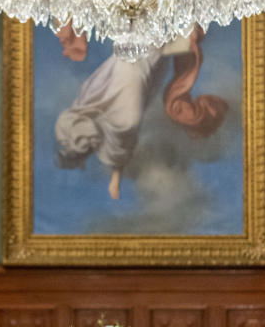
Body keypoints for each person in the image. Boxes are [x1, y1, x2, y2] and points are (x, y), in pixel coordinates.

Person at [54, 26, 228, 200]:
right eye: (87, 147)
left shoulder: (94, 107)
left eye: (83, 144)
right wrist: (115, 181)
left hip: (134, 56)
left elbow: (118, 149)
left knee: (163, 36)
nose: (89, 142)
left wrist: (114, 180)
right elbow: (118, 150)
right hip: (143, 60)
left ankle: (157, 22)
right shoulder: (118, 125)